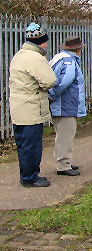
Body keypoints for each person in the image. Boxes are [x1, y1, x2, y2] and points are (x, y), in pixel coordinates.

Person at [9, 22, 57, 188]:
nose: (46, 44)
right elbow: (50, 80)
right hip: (31, 108)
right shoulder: (35, 58)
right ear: (40, 42)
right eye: (45, 41)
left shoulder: (19, 55)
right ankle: (31, 178)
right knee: (32, 146)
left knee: (23, 145)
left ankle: (26, 175)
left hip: (19, 108)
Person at [48, 36, 87, 176]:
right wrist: (53, 95)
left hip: (61, 104)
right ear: (78, 49)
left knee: (61, 134)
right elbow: (65, 82)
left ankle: (63, 162)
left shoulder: (59, 58)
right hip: (66, 105)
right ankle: (63, 165)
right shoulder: (69, 61)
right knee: (66, 134)